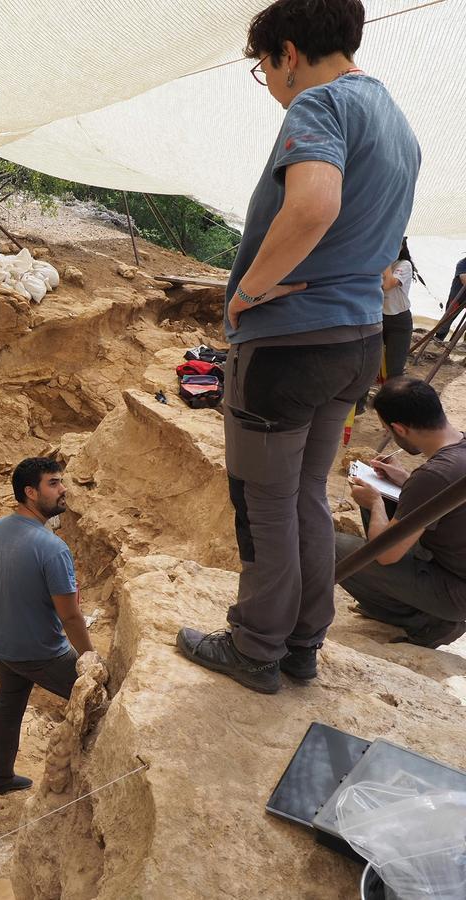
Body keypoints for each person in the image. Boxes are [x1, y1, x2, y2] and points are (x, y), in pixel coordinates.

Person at [177, 0, 421, 693]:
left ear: (287, 52)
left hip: (288, 346)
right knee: (307, 494)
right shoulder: (398, 123)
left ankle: (255, 647)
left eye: (265, 68)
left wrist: (248, 291)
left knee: (263, 502)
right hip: (356, 340)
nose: (272, 87)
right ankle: (302, 644)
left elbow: (314, 205)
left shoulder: (320, 105)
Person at [0, 457, 93, 794]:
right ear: (30, 492)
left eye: (61, 481)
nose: (63, 489)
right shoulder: (53, 549)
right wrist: (90, 660)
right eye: (53, 483)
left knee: (10, 703)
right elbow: (70, 616)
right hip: (39, 652)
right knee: (96, 701)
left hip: (1, 642)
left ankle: (0, 777)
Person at [338, 377, 466, 647]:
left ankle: (425, 622)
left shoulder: (433, 476)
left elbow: (386, 555)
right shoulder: (458, 450)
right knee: (389, 501)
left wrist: (375, 503)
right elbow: (440, 497)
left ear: (399, 429)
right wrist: (406, 482)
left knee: (328, 546)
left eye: (388, 430)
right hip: (455, 567)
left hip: (456, 591)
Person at [380, 238, 418, 380]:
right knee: (370, 368)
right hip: (377, 318)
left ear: (401, 247)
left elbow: (388, 284)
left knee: (394, 370)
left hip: (398, 320)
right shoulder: (374, 263)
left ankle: (391, 392)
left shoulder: (404, 265)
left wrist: (385, 261)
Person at [432, 253, 466, 341]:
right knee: (448, 318)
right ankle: (439, 338)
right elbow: (464, 279)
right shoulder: (462, 263)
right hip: (458, 298)